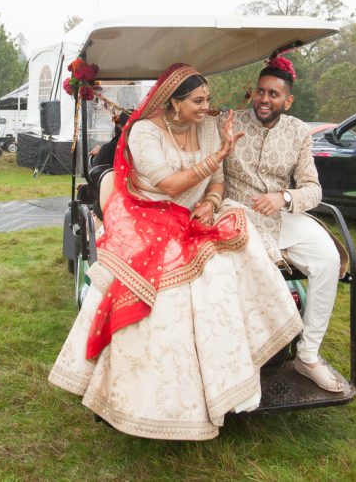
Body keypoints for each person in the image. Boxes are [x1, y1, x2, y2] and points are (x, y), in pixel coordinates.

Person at [49, 64, 303, 441]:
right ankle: (154, 398)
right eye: (198, 101)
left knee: (231, 258)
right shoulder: (143, 131)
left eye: (208, 100)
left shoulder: (206, 125)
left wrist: (213, 201)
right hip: (147, 213)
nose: (206, 107)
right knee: (168, 289)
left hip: (192, 215)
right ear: (174, 103)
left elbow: (215, 181)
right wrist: (219, 156)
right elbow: (168, 185)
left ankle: (233, 380)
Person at [223, 56, 346, 393]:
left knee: (327, 260)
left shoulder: (298, 132)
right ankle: (241, 359)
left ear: (287, 100)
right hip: (235, 213)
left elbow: (313, 189)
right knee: (250, 267)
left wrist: (285, 198)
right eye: (261, 92)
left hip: (280, 215)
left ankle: (307, 356)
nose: (265, 99)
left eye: (274, 94)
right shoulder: (229, 122)